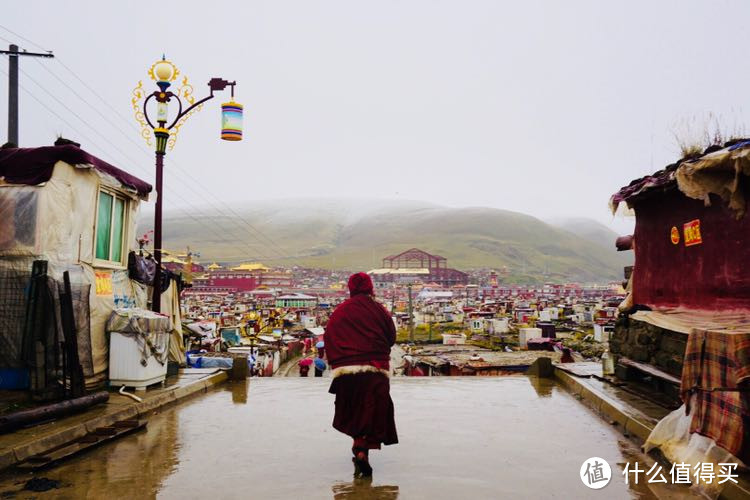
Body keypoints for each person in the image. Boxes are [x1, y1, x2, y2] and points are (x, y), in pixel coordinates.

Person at [324, 272, 398, 478]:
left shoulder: (340, 312)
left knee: (355, 410)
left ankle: (360, 449)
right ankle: (362, 450)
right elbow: (391, 336)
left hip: (346, 372)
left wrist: (340, 359)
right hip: (375, 369)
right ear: (369, 287)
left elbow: (329, 337)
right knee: (372, 411)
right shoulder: (378, 310)